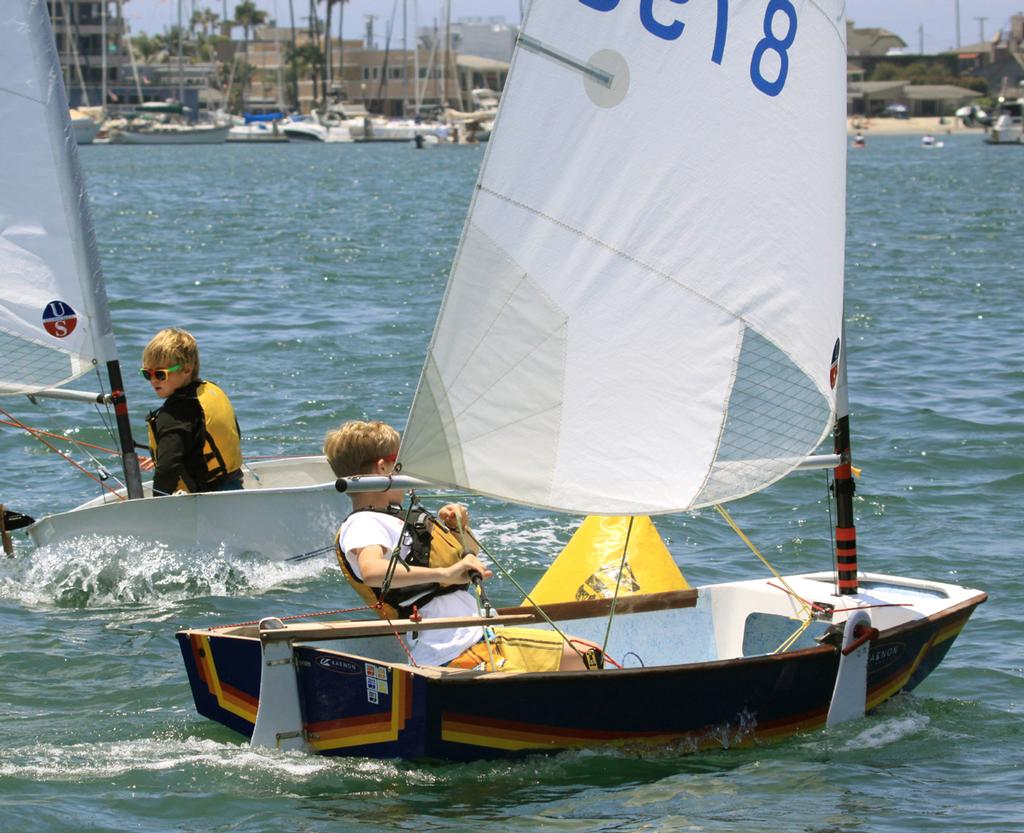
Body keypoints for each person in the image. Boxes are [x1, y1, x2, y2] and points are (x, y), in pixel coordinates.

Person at [324, 420, 597, 672]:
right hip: (449, 649)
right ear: (383, 468)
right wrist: (446, 574)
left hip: (482, 634)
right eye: (401, 463)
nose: (407, 472)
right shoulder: (363, 524)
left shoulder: (398, 520)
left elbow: (472, 557)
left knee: (586, 655)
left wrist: (458, 529)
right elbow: (372, 571)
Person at [139, 327, 243, 496]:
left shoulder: (174, 415)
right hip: (233, 484)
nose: (153, 381)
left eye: (160, 374)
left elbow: (166, 472)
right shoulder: (209, 391)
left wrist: (156, 510)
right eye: (147, 374)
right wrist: (162, 455)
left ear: (186, 369)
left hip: (206, 501)